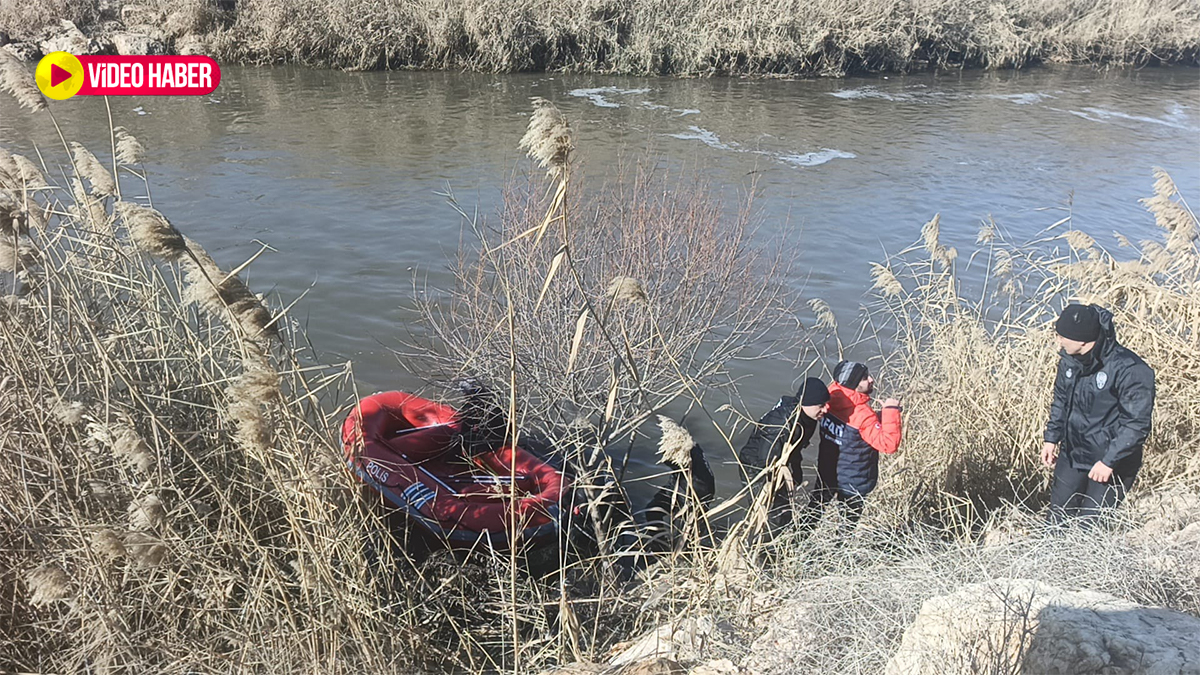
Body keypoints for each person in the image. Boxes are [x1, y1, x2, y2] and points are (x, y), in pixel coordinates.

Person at [1042, 304, 1154, 524]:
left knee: (1090, 527)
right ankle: (1054, 557)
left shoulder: (1130, 370)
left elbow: (1136, 424)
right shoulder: (1069, 360)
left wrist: (1109, 462)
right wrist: (1051, 438)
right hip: (1074, 453)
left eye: (1062, 336)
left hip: (1111, 461)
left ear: (1083, 340)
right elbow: (1061, 401)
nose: (1059, 341)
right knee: (1057, 520)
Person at [800, 360, 902, 531]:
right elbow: (889, 444)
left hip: (827, 471)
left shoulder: (828, 399)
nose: (871, 379)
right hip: (854, 481)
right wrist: (891, 411)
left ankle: (796, 543)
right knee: (847, 524)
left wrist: (877, 417)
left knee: (815, 510)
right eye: (864, 378)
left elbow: (849, 427)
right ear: (854, 385)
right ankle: (840, 552)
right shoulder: (864, 416)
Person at [737, 377, 831, 530]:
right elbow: (766, 460)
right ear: (805, 403)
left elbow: (794, 449)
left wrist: (795, 475)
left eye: (827, 404)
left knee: (783, 514)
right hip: (755, 468)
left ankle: (777, 537)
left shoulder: (809, 417)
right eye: (821, 405)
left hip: (777, 461)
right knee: (769, 516)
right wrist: (779, 484)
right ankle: (760, 544)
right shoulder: (782, 423)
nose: (826, 409)